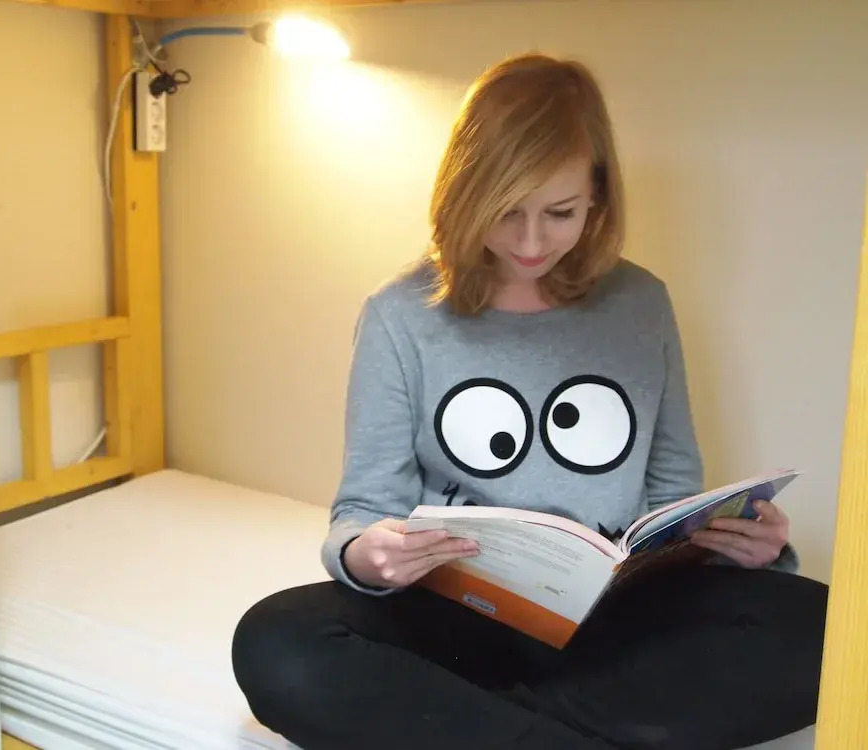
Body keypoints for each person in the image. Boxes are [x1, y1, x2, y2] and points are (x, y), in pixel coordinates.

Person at [232, 53, 828, 750]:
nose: (532, 241)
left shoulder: (641, 304)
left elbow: (673, 499)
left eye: (560, 213)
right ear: (466, 193)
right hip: (457, 617)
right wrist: (369, 554)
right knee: (277, 640)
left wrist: (739, 545)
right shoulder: (401, 315)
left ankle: (486, 726)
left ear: (597, 198)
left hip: (614, 623)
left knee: (830, 626)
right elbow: (364, 509)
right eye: (507, 211)